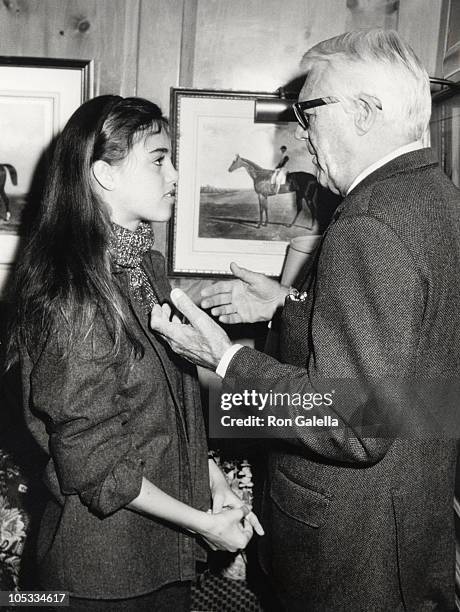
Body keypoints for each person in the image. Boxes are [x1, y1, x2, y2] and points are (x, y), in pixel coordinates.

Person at [150, 29, 460, 611]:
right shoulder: (435, 195)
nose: (302, 132)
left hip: (351, 546)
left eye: (309, 112)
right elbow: (402, 346)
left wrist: (225, 358)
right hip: (404, 518)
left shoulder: (369, 223)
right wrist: (286, 305)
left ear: (365, 113)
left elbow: (354, 422)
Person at [7, 95, 262, 611]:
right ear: (105, 175)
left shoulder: (145, 267)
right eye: (159, 159)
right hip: (103, 575)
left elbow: (172, 415)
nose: (173, 175)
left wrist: (214, 485)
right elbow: (95, 462)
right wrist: (204, 524)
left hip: (162, 559)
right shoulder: (73, 293)